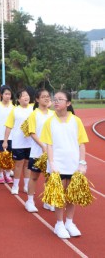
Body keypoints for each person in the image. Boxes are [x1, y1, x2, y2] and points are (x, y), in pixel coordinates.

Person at [40, 91, 89, 239]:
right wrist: (52, 163)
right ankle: (59, 224)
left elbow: (81, 144)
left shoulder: (76, 121)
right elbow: (48, 145)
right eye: (55, 99)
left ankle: (69, 222)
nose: (56, 102)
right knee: (59, 195)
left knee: (71, 195)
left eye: (60, 99)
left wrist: (82, 163)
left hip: (73, 165)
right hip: (58, 165)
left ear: (68, 103)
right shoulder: (50, 121)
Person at [25, 88, 54, 213]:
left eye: (48, 96)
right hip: (38, 151)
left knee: (49, 177)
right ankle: (30, 201)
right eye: (43, 97)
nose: (47, 98)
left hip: (51, 152)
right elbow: (32, 132)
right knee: (35, 176)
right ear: (37, 99)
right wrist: (42, 146)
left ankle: (48, 200)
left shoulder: (53, 114)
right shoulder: (33, 114)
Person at [3, 89, 33, 195]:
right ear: (18, 99)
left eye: (27, 95)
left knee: (27, 164)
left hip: (31, 142)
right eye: (23, 96)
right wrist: (5, 140)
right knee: (19, 164)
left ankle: (26, 186)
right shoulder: (15, 110)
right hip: (18, 142)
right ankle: (15, 186)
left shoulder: (33, 109)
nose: (26, 97)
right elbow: (8, 126)